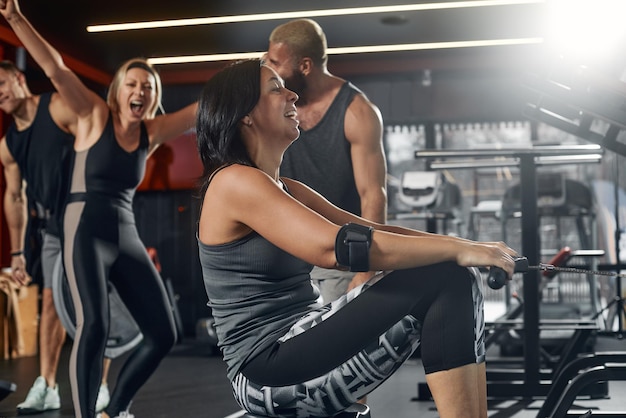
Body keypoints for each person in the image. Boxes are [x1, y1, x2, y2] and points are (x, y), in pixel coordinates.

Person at [195, 58, 517, 418]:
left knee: (453, 276)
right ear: (245, 116)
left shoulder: (287, 188)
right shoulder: (233, 181)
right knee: (444, 274)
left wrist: (468, 249)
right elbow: (337, 247)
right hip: (264, 373)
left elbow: (373, 232)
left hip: (298, 342)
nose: (292, 94)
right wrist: (460, 250)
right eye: (275, 89)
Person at [0, 1, 198, 417]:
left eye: (147, 87)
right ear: (118, 90)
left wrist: (253, 76)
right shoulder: (92, 114)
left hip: (124, 230)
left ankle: (117, 409)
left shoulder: (151, 132)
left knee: (163, 333)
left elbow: (200, 112)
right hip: (83, 225)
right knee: (95, 326)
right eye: (132, 84)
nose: (140, 91)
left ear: (153, 97)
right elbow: (55, 70)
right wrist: (16, 19)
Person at [0, 60, 111, 415]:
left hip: (91, 219)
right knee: (50, 303)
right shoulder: (8, 145)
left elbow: (98, 127)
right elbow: (14, 197)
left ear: (18, 79)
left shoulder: (57, 107)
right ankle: (47, 385)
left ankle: (101, 386)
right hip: (52, 228)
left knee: (94, 304)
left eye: (1, 83)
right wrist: (17, 251)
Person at [264, 18, 388, 306]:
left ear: (305, 66)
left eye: (275, 61)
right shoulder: (277, 102)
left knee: (335, 347)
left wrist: (366, 265)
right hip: (283, 255)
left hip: (335, 258)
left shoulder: (357, 112)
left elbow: (372, 194)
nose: (269, 67)